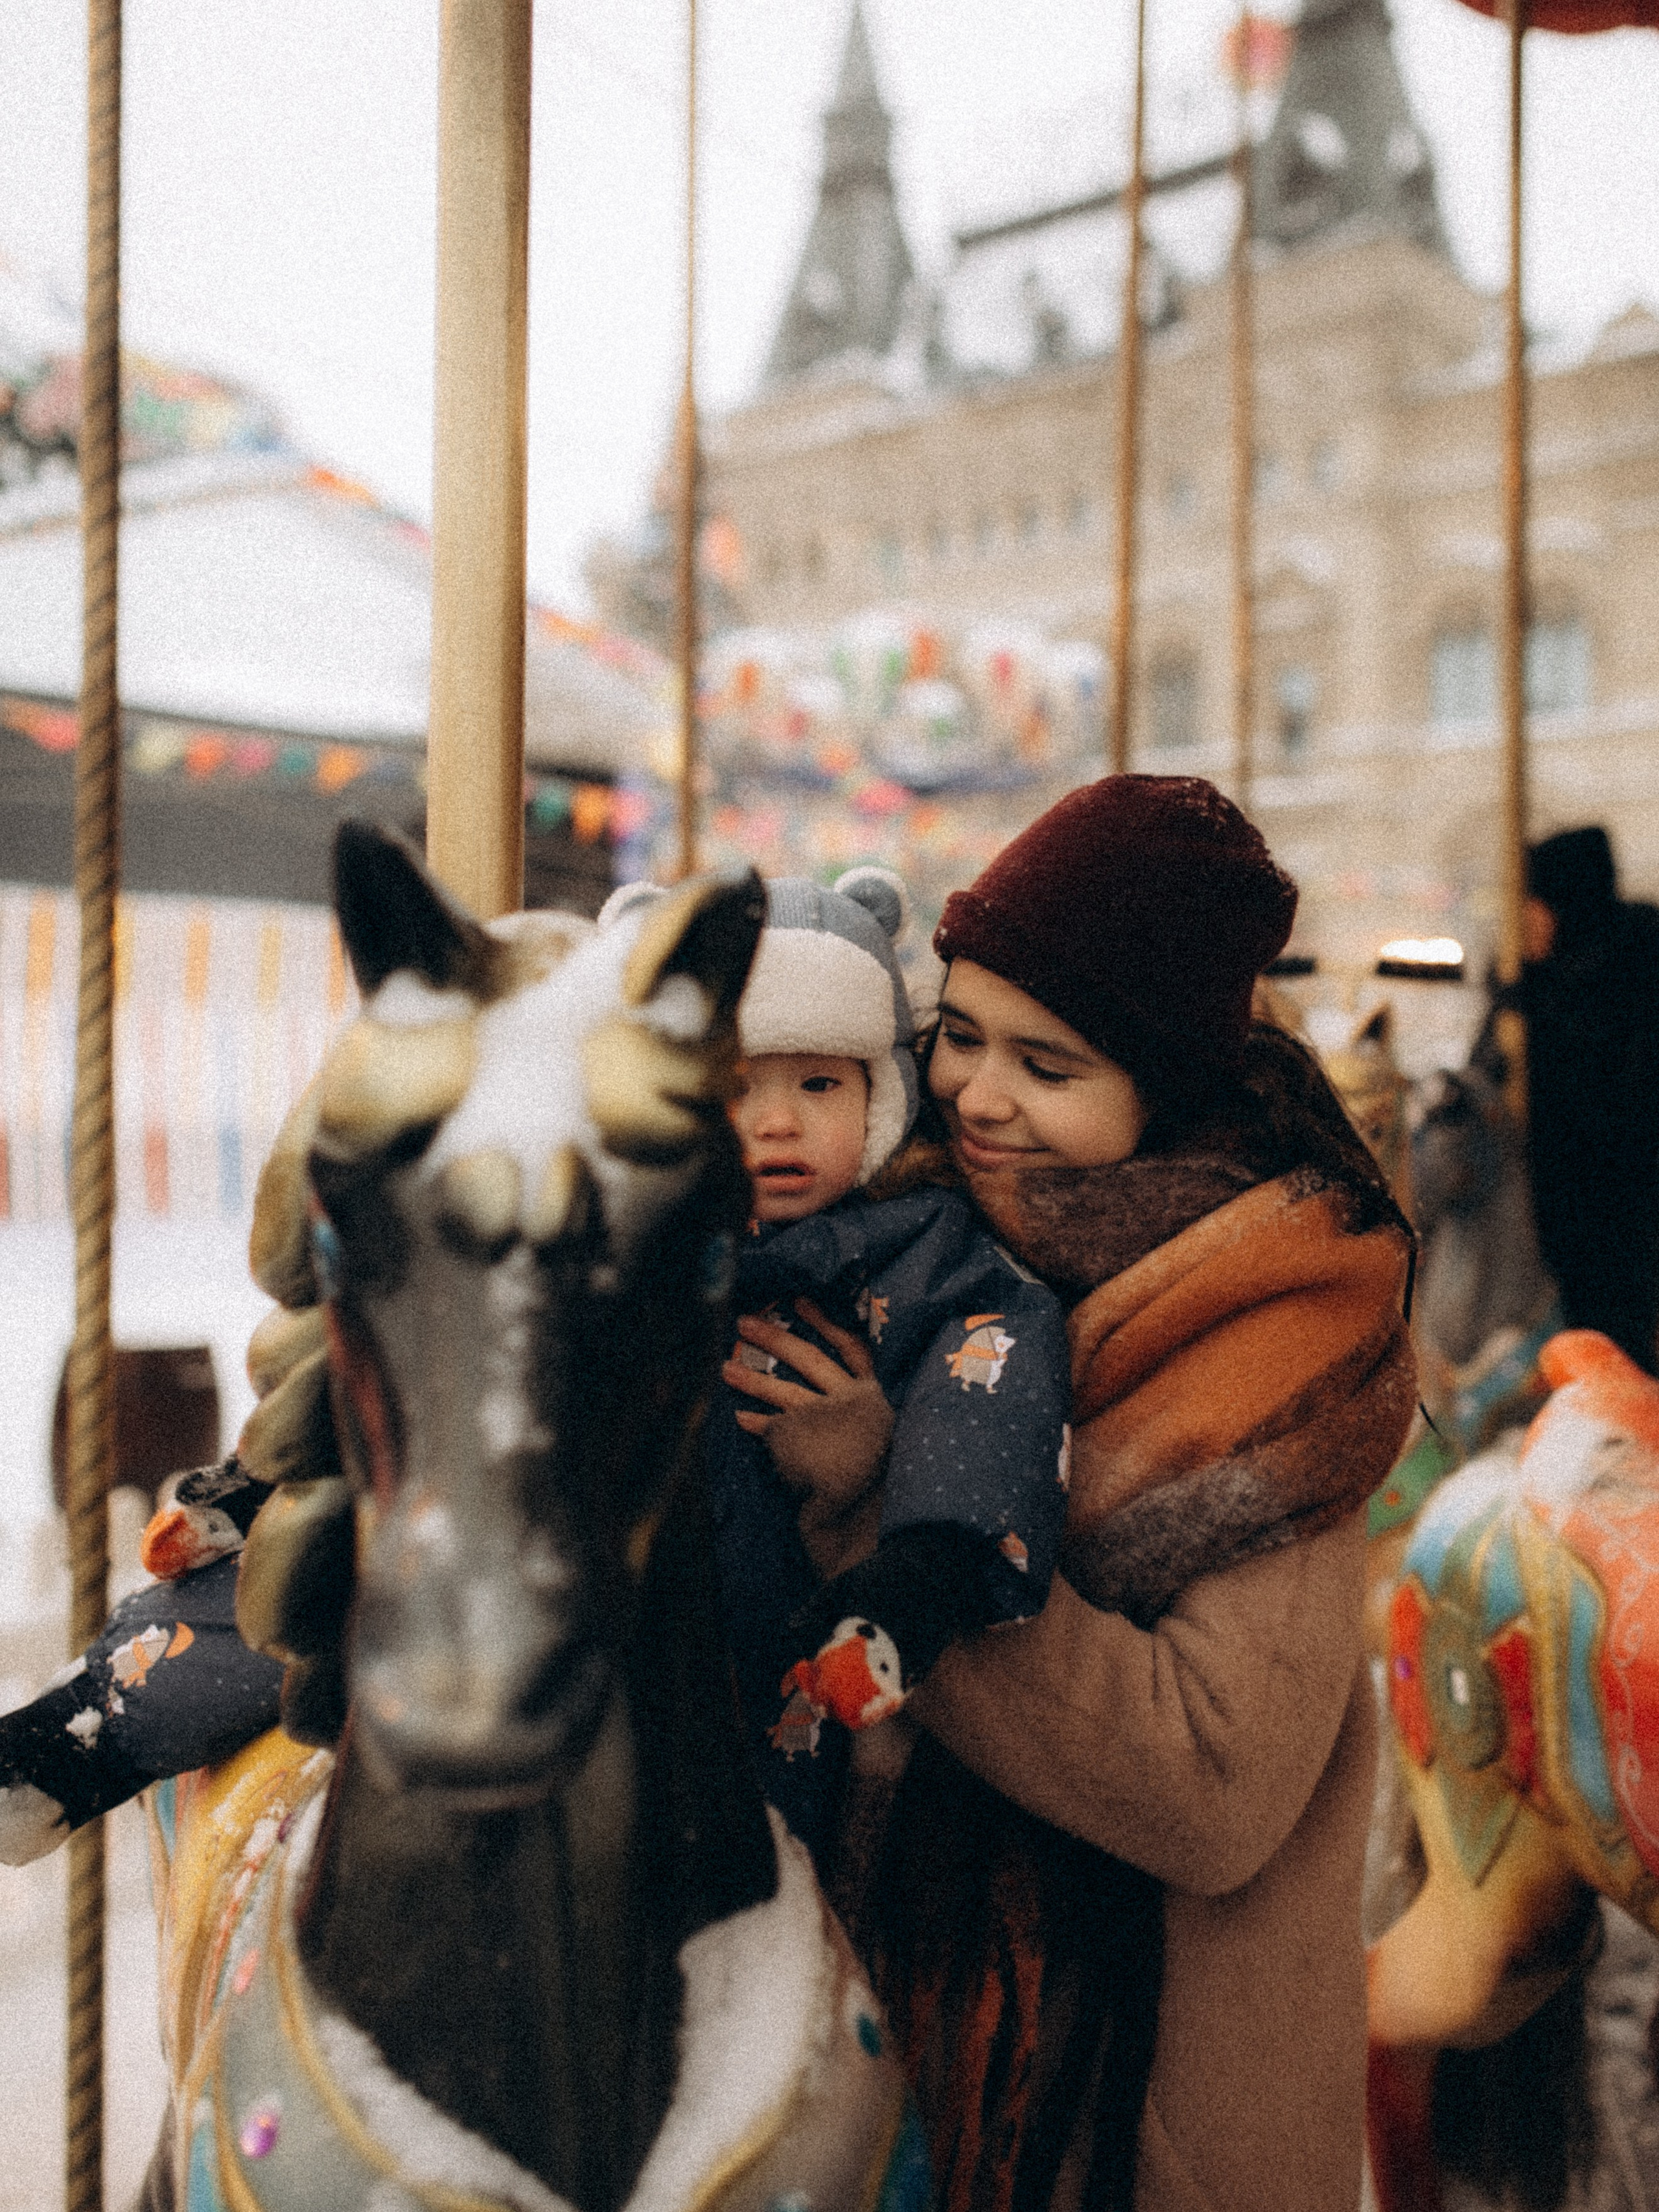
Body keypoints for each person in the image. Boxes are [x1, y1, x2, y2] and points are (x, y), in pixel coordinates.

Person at [752, 776, 1419, 2212]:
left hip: (1133, 2112)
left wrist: (881, 1511)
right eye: (961, 1037)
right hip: (886, 2039)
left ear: (1161, 1086)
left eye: (1045, 1065)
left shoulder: (1277, 1348)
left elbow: (1210, 1785)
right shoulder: (905, 1242)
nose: (976, 1094)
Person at [687, 867, 1072, 1870]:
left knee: (990, 1346)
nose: (778, 1123)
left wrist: (909, 1538)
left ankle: (923, 1583)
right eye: (736, 1088)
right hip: (667, 1597)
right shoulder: (650, 1241)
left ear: (882, 1095)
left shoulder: (917, 1238)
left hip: (817, 1620)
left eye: (820, 1085)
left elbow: (986, 1358)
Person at [1492, 824, 1659, 1373]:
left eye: (1536, 903)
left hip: (1616, 1208)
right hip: (1583, 1209)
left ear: (1564, 904)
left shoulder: (1603, 982)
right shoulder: (1548, 982)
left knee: (1614, 1347)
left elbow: (1612, 1101)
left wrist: (1527, 1004)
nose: (1527, 919)